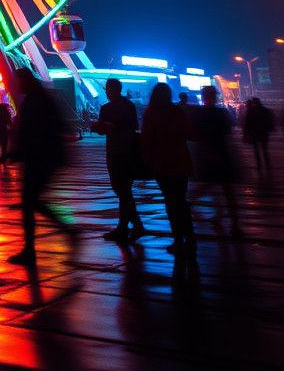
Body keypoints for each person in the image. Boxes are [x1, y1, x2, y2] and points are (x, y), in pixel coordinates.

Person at [7, 66, 73, 266]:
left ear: (26, 81)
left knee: (30, 203)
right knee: (32, 202)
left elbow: (35, 133)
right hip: (42, 158)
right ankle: (62, 232)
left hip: (39, 158)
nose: (18, 87)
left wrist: (18, 152)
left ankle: (32, 249)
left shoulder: (35, 102)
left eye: (20, 82)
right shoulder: (39, 99)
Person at [140, 82, 196, 258]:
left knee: (171, 203)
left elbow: (146, 139)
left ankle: (178, 238)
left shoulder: (151, 113)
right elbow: (189, 132)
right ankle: (190, 238)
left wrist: (146, 160)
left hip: (162, 163)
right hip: (180, 161)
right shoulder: (177, 112)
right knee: (181, 201)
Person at [91, 78, 146, 244]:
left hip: (116, 152)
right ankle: (129, 226)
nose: (106, 91)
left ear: (112, 89)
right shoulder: (129, 106)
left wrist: (100, 127)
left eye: (107, 89)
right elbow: (135, 125)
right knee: (124, 190)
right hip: (128, 150)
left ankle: (132, 226)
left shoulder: (107, 108)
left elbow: (103, 130)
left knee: (121, 190)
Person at [192, 85, 244, 239]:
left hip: (209, 156)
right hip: (223, 154)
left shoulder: (200, 114)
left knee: (210, 187)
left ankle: (195, 206)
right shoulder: (221, 113)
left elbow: (196, 135)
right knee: (227, 191)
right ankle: (233, 224)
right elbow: (228, 132)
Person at [243, 97, 274, 177]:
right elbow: (270, 121)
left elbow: (247, 124)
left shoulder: (251, 111)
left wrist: (246, 134)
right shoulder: (264, 110)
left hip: (255, 134)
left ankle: (260, 166)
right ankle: (267, 165)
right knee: (264, 150)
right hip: (263, 134)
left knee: (257, 151)